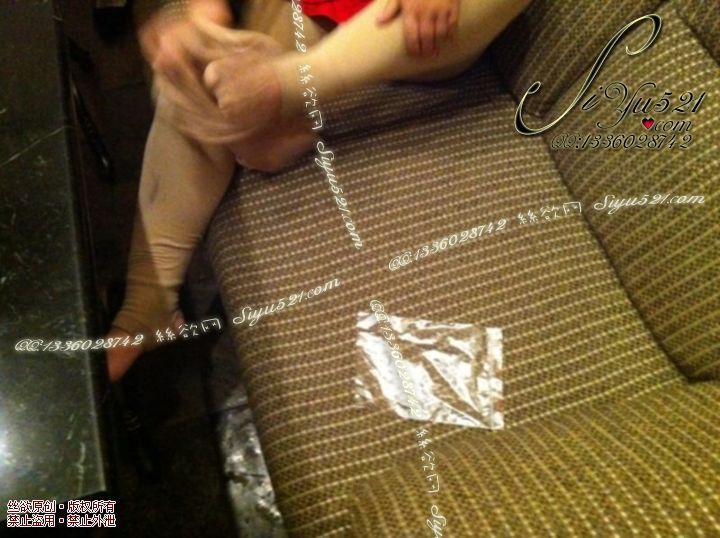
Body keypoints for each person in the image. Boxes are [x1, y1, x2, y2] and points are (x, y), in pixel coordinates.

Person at [106, 0, 530, 382]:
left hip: (422, 29)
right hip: (315, 13)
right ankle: (149, 301)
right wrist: (202, 17)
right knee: (197, 74)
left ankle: (284, 91)